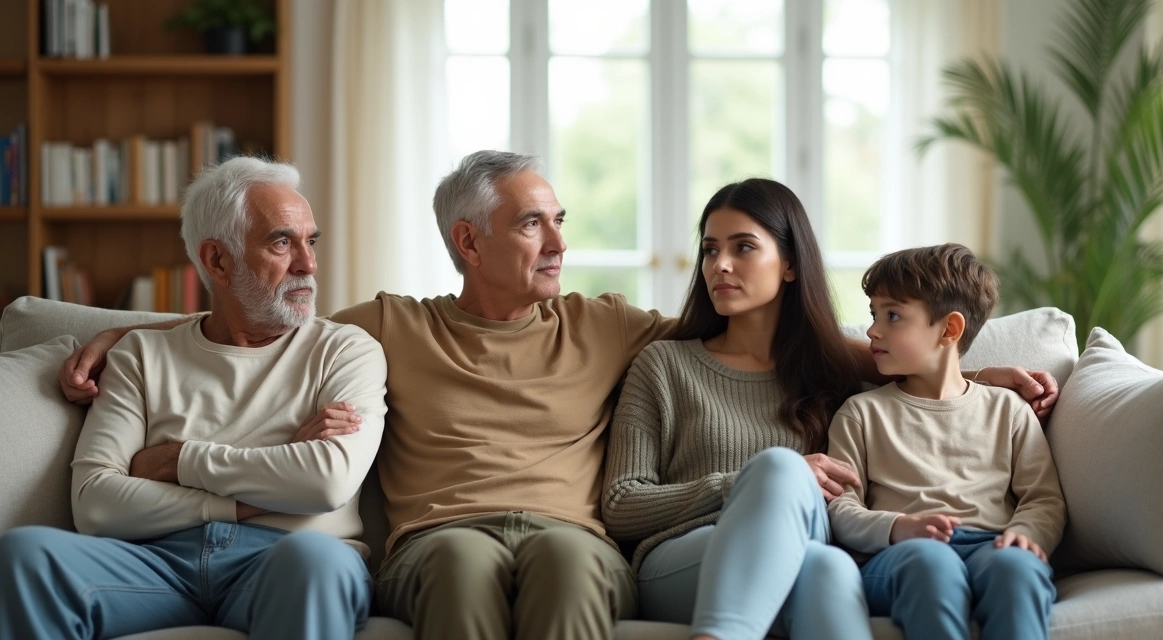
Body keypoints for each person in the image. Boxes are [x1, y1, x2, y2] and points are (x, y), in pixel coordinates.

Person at [57, 150, 1061, 640]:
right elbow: (260, 312)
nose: (559, 243)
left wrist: (969, 371)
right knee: (455, 563)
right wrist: (113, 331)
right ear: (469, 242)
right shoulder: (389, 324)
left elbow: (783, 334)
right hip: (436, 530)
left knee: (573, 566)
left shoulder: (607, 324)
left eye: (559, 222)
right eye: (534, 225)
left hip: (569, 530)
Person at [0, 157, 388, 640]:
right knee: (26, 556)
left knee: (313, 561)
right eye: (282, 242)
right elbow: (95, 503)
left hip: (288, 559)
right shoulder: (141, 353)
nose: (308, 263)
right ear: (217, 260)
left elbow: (326, 483)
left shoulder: (346, 349)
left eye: (310, 241)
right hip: (156, 563)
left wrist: (174, 461)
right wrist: (253, 491)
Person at [602, 178, 873, 640]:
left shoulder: (833, 367)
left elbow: (928, 368)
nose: (719, 265)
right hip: (682, 559)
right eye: (709, 250)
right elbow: (621, 504)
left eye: (743, 247)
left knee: (825, 564)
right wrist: (743, 483)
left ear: (789, 264)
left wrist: (986, 379)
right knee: (787, 487)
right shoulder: (665, 365)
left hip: (803, 543)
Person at [826, 243, 1066, 640]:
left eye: (893, 315)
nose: (872, 329)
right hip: (901, 555)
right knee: (931, 564)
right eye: (874, 314)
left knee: (1016, 569)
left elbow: (1043, 498)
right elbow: (841, 507)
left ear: (949, 329)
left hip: (991, 545)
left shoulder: (1008, 409)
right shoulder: (861, 413)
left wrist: (1028, 534)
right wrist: (898, 527)